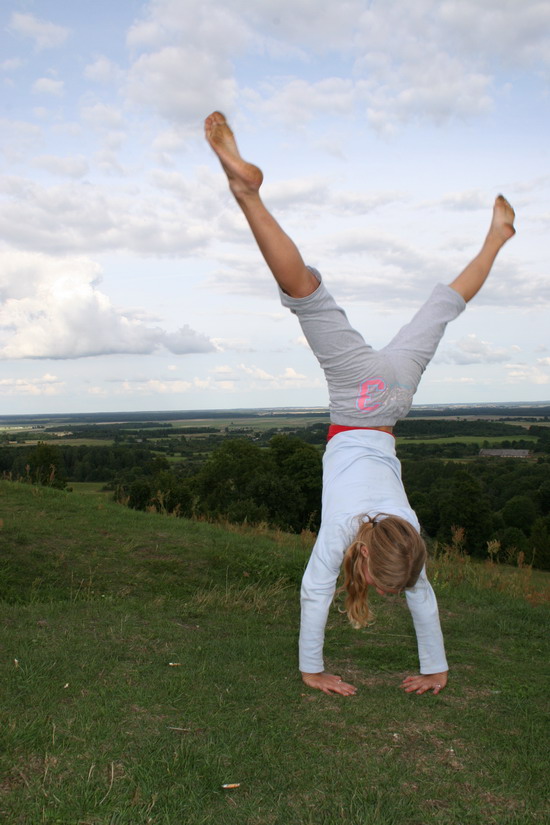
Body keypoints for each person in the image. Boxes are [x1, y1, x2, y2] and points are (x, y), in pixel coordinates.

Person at [204, 111, 516, 697]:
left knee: (442, 307)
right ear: (368, 560)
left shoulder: (409, 536)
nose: (382, 591)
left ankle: (497, 235)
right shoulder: (343, 535)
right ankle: (246, 195)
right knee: (308, 299)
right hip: (359, 400)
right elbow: (314, 591)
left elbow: (417, 596)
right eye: (381, 586)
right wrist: (311, 670)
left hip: (394, 394)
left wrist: (438, 669)